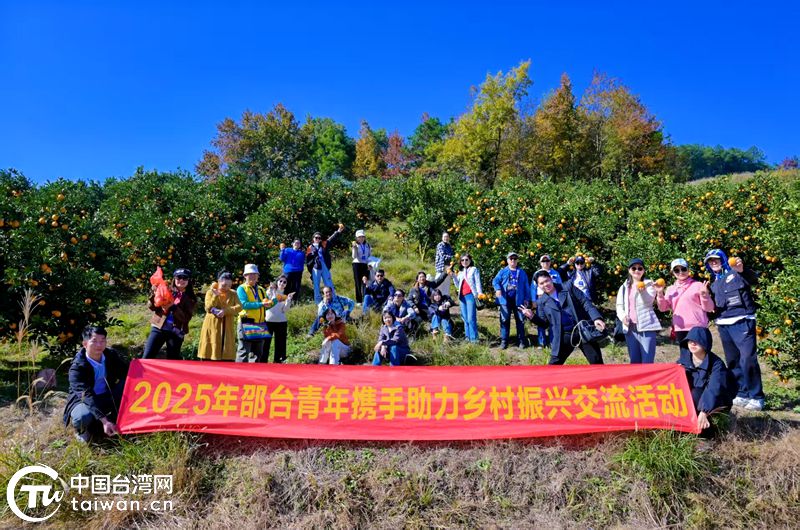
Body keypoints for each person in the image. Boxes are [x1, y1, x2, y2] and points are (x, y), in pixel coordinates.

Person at [704, 249, 765, 411]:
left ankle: (756, 396)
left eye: (716, 259)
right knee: (733, 360)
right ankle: (742, 393)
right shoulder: (713, 282)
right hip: (723, 324)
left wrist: (742, 270)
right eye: (710, 261)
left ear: (723, 259)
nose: (713, 262)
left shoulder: (736, 272)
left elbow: (753, 279)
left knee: (748, 358)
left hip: (742, 321)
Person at [521, 270, 606, 365]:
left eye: (547, 281)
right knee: (554, 365)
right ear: (538, 286)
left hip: (583, 330)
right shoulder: (541, 302)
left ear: (551, 279)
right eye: (541, 283)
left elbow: (585, 302)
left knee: (597, 362)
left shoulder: (567, 287)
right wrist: (532, 317)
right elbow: (544, 324)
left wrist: (596, 318)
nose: (545, 284)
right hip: (564, 335)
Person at [63, 326, 128, 443]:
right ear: (85, 344)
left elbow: (127, 372)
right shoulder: (77, 368)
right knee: (82, 417)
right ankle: (82, 430)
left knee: (127, 385)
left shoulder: (111, 355)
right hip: (84, 400)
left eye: (102, 341)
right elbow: (86, 395)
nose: (99, 345)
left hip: (107, 394)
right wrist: (105, 421)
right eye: (94, 341)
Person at [678, 326, 735, 435]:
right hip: (692, 402)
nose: (693, 344)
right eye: (690, 341)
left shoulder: (717, 364)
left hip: (714, 402)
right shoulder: (682, 361)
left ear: (705, 343)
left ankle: (706, 432)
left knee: (695, 393)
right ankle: (683, 429)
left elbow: (714, 389)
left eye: (697, 341)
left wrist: (704, 411)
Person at [655, 258, 715, 356]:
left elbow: (709, 308)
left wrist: (705, 296)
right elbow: (662, 308)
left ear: (688, 270)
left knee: (701, 357)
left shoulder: (698, 285)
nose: (680, 272)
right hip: (680, 329)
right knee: (686, 358)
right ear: (672, 273)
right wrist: (659, 293)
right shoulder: (670, 289)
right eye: (676, 270)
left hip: (697, 327)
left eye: (683, 269)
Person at [143, 268, 197, 360]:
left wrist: (173, 307)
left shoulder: (190, 298)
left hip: (176, 331)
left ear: (189, 280)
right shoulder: (165, 290)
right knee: (147, 356)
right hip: (159, 327)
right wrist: (154, 294)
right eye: (179, 277)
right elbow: (152, 307)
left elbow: (185, 318)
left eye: (185, 278)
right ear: (174, 279)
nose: (181, 280)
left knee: (173, 359)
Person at [615, 258, 662, 364]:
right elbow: (619, 306)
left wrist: (642, 292)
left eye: (640, 268)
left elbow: (648, 301)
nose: (637, 270)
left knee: (647, 360)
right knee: (634, 360)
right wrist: (623, 317)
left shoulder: (649, 284)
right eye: (634, 268)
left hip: (647, 326)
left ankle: (648, 376)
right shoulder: (624, 287)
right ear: (629, 270)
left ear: (643, 271)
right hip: (630, 328)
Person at [197, 271, 242, 361]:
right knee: (211, 348)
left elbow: (239, 307)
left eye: (229, 285)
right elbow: (208, 308)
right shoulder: (210, 292)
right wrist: (215, 296)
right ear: (218, 282)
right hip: (212, 325)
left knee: (226, 351)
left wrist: (225, 311)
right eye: (224, 285)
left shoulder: (233, 293)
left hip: (227, 325)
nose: (226, 288)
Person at [236, 264, 274, 363]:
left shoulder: (261, 289)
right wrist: (261, 304)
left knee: (258, 353)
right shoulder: (241, 288)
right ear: (245, 276)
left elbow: (266, 305)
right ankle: (238, 372)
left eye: (255, 274)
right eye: (250, 274)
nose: (253, 276)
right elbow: (244, 304)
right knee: (244, 352)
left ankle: (253, 372)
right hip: (246, 322)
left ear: (258, 276)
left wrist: (275, 301)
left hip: (260, 323)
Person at [493, 252, 532, 349]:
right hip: (505, 300)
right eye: (511, 258)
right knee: (504, 320)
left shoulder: (522, 272)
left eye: (515, 258)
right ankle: (504, 341)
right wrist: (498, 289)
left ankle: (521, 341)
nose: (513, 260)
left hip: (519, 300)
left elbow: (526, 286)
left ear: (517, 260)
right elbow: (495, 281)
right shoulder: (503, 271)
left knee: (520, 320)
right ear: (507, 260)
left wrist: (527, 298)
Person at [448, 253, 483, 343]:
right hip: (462, 297)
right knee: (465, 318)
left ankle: (474, 339)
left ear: (470, 260)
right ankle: (467, 337)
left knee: (471, 318)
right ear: (460, 262)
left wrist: (480, 293)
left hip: (471, 295)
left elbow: (478, 282)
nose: (464, 261)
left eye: (466, 259)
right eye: (462, 260)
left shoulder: (474, 269)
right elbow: (457, 285)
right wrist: (453, 276)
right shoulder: (460, 272)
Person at [306, 224, 344, 304]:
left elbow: (332, 239)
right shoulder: (309, 248)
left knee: (328, 283)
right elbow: (308, 261)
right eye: (316, 237)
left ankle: (333, 299)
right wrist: (311, 270)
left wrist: (338, 231)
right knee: (316, 285)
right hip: (315, 267)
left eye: (319, 238)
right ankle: (318, 302)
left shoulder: (324, 244)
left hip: (324, 265)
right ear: (313, 239)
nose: (318, 239)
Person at [532, 254, 563, 348]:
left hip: (553, 300)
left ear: (550, 262)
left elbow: (560, 286)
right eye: (543, 261)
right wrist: (533, 300)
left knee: (553, 321)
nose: (545, 263)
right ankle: (541, 342)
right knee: (541, 320)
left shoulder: (555, 273)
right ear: (540, 263)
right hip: (541, 299)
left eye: (547, 261)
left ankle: (553, 342)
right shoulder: (537, 274)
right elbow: (533, 288)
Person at [264, 275, 294, 363]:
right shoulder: (270, 291)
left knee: (280, 344)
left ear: (286, 284)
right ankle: (263, 362)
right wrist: (271, 290)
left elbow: (285, 310)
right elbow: (268, 302)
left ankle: (278, 362)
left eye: (284, 282)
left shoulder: (286, 295)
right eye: (280, 281)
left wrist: (288, 300)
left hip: (281, 322)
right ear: (277, 282)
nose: (282, 283)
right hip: (268, 321)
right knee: (265, 343)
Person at [351, 229, 372, 304]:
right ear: (356, 238)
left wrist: (370, 264)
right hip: (357, 264)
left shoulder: (367, 245)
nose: (361, 238)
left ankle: (366, 298)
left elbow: (369, 256)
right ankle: (359, 300)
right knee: (358, 282)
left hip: (365, 264)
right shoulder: (355, 245)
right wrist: (354, 248)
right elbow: (354, 256)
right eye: (359, 237)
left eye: (362, 236)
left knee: (365, 281)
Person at [434, 231, 454, 297]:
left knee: (446, 284)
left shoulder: (449, 246)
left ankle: (445, 298)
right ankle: (436, 297)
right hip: (441, 267)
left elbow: (452, 255)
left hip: (448, 267)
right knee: (438, 283)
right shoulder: (440, 245)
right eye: (445, 237)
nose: (446, 238)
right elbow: (443, 256)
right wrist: (453, 257)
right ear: (442, 238)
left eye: (447, 237)